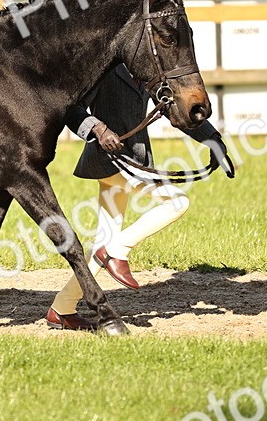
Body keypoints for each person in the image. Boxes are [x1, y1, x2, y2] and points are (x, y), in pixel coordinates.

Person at [47, 66, 229, 330]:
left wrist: (212, 138)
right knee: (177, 202)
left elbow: (171, 106)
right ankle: (117, 252)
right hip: (109, 159)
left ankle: (62, 308)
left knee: (105, 236)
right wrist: (97, 129)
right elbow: (70, 106)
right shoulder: (104, 66)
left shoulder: (145, 66)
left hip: (132, 160)